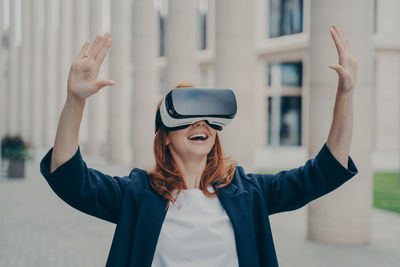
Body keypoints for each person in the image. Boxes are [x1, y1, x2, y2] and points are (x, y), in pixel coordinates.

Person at [40, 24, 358, 267]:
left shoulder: (249, 192)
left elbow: (325, 172)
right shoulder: (137, 195)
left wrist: (345, 94)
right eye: (187, 116)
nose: (200, 124)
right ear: (164, 134)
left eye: (208, 118)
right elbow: (69, 178)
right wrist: (75, 101)